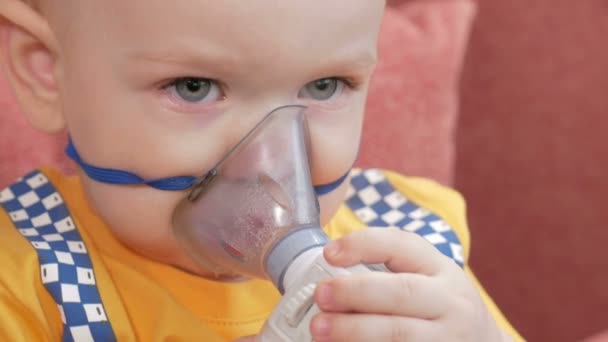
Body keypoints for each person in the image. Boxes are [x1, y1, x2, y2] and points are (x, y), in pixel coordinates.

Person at [0, 1, 523, 341]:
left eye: (324, 86)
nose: (269, 166)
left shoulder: (406, 250)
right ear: (47, 71)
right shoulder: (25, 287)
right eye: (194, 87)